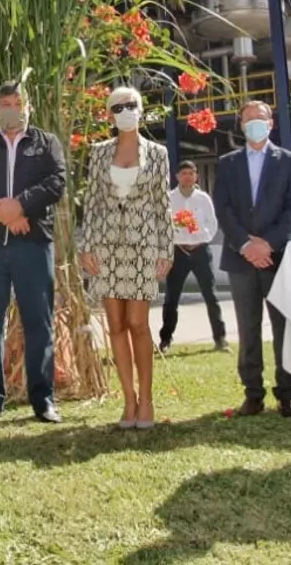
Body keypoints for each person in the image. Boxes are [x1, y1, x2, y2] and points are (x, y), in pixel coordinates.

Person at [0, 82, 67, 424]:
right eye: (5, 103)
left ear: (28, 106)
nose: (11, 108)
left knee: (39, 321)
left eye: (17, 102)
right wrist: (2, 212)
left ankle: (43, 400)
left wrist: (20, 207)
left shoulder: (46, 142)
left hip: (33, 245)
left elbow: (57, 182)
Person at [79, 87, 174, 429]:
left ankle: (147, 399)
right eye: (118, 107)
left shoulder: (158, 153)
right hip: (106, 249)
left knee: (137, 323)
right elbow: (91, 204)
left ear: (141, 109)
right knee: (116, 325)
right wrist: (86, 246)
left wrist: (167, 249)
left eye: (131, 105)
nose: (125, 110)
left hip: (143, 247)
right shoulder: (99, 152)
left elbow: (163, 205)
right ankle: (129, 400)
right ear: (109, 114)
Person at [212, 99, 291, 418]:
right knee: (248, 328)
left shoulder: (289, 161)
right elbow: (222, 207)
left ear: (271, 123)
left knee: (283, 328)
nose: (255, 123)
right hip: (240, 259)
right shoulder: (227, 163)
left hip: (277, 257)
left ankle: (286, 394)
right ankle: (253, 394)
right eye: (248, 119)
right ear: (240, 125)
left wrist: (268, 244)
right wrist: (244, 245)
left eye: (261, 118)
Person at [159, 160, 227, 355]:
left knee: (210, 295)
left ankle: (220, 338)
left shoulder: (203, 198)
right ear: (177, 177)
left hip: (200, 250)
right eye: (184, 173)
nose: (188, 176)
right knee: (172, 298)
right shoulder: (169, 198)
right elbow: (163, 225)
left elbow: (212, 224)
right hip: (178, 251)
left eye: (191, 173)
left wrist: (201, 239)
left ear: (196, 176)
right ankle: (165, 339)